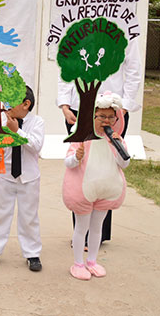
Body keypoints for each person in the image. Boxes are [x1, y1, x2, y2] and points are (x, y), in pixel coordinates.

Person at [57, 0, 141, 243]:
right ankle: (79, 232)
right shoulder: (78, 25)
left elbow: (134, 70)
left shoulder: (126, 27)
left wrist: (124, 107)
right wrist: (65, 103)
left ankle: (100, 233)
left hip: (110, 111)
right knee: (80, 167)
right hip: (81, 110)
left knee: (106, 168)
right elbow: (65, 66)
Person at [63, 92, 128, 280]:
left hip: (106, 190)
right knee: (81, 227)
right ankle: (78, 263)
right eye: (101, 116)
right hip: (84, 190)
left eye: (110, 117)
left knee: (97, 226)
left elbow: (124, 163)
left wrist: (118, 145)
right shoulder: (82, 136)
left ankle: (92, 261)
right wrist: (77, 157)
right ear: (92, 117)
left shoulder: (115, 139)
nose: (106, 121)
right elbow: (68, 162)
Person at [0, 86, 44, 272]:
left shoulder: (37, 122)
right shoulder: (0, 122)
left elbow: (36, 146)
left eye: (12, 100)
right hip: (5, 176)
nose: (6, 105)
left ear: (26, 104)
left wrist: (16, 131)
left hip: (29, 178)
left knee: (29, 216)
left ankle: (32, 253)